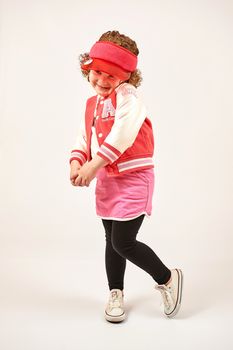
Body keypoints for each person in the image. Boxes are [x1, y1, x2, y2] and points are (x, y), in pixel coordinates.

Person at [69, 30, 183, 323]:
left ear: (127, 77)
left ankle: (167, 277)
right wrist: (77, 162)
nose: (103, 80)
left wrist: (92, 167)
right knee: (111, 239)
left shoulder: (129, 99)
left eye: (112, 75)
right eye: (97, 72)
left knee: (123, 241)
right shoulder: (91, 104)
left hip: (134, 178)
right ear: (88, 69)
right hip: (109, 179)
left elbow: (121, 136)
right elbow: (86, 137)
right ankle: (116, 292)